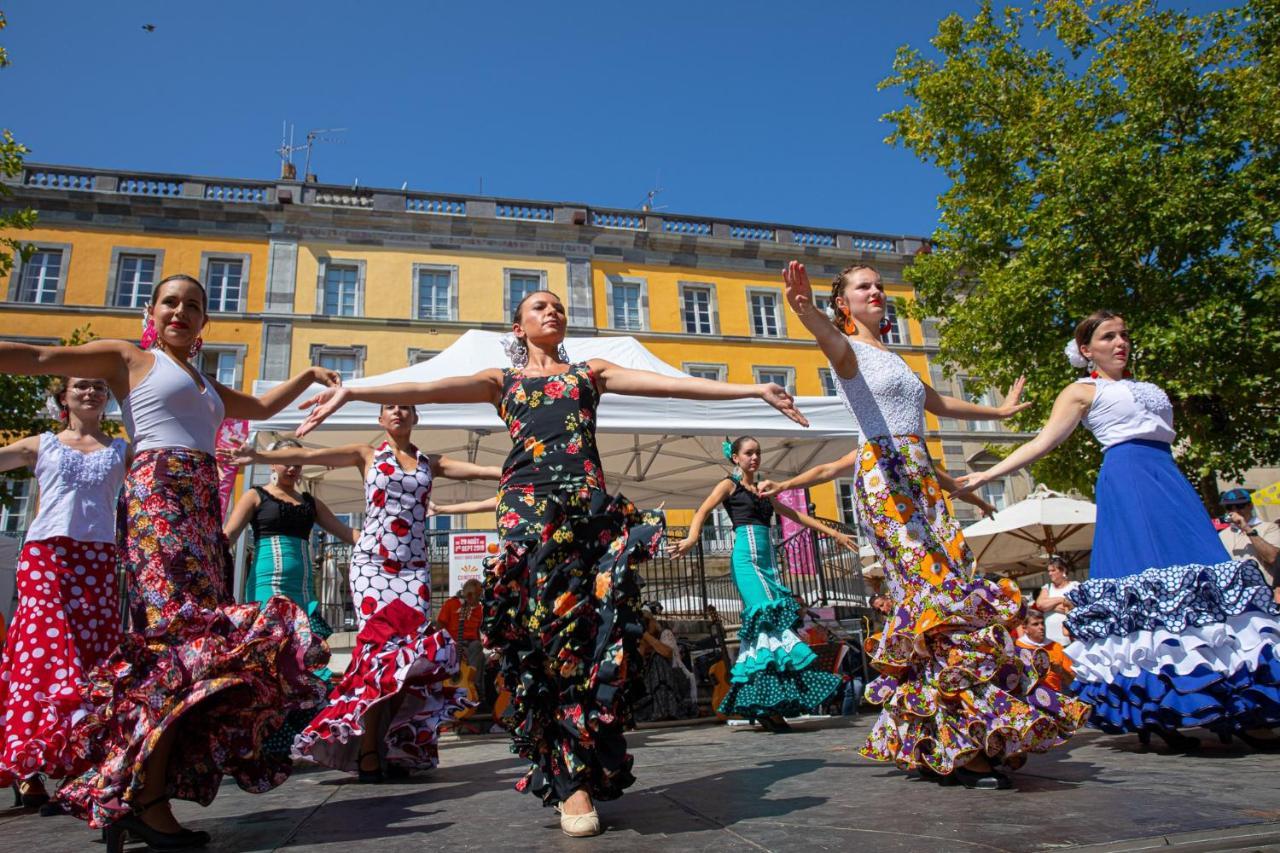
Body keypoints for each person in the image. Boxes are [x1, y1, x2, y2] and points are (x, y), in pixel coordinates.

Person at [293, 288, 807, 837]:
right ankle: (570, 783)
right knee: (545, 641)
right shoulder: (503, 381)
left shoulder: (591, 373)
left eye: (558, 306)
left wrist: (752, 388)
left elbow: (676, 385)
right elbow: (425, 386)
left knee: (594, 638)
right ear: (518, 328)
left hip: (586, 512)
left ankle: (588, 760)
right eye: (538, 307)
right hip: (526, 512)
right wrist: (352, 390)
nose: (552, 311)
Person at [0, 273, 337, 850]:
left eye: (194, 306)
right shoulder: (128, 358)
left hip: (203, 500)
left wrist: (307, 376)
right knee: (177, 645)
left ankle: (137, 792)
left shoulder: (205, 381)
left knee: (196, 649)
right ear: (152, 312)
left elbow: (257, 405)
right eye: (171, 302)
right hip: (160, 496)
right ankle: (140, 797)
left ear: (205, 321)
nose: (182, 311)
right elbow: (36, 355)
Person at [760, 261, 1088, 789]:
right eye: (863, 287)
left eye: (879, 285)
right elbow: (826, 338)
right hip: (887, 477)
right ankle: (956, 734)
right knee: (932, 597)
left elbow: (934, 402)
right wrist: (804, 310)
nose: (877, 292)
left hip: (920, 477)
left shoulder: (895, 357)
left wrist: (997, 413)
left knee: (956, 592)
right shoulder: (849, 351)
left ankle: (962, 727)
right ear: (843, 302)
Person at [954, 309, 1280, 751]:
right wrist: (984, 477)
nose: (1121, 342)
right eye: (1108, 337)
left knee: (1204, 577)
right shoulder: (1082, 390)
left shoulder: (1146, 387)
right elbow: (1043, 441)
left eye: (1124, 334)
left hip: (1168, 477)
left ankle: (1234, 701)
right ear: (1087, 349)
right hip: (1129, 481)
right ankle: (1157, 709)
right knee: (1148, 584)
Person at [224, 404, 500, 782]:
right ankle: (370, 748)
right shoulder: (365, 454)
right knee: (378, 658)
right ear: (381, 420)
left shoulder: (428, 461)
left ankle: (390, 741)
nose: (399, 412)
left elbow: (485, 471)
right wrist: (259, 454)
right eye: (391, 408)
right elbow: (307, 455)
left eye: (407, 408)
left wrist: (523, 469)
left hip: (414, 570)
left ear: (416, 419)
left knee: (409, 663)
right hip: (372, 566)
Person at [0, 378, 126, 811]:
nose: (90, 393)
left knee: (93, 659)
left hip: (98, 561)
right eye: (80, 386)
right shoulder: (43, 444)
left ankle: (78, 762)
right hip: (46, 556)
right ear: (63, 397)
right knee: (42, 655)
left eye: (98, 387)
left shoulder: (122, 450)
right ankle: (27, 766)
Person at [670, 435, 854, 731]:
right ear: (736, 457)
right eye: (748, 453)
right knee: (769, 620)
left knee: (765, 632)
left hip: (767, 561)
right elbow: (703, 510)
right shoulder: (728, 484)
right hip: (746, 559)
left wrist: (833, 534)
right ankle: (768, 701)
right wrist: (692, 538)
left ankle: (767, 702)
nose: (754, 458)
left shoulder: (765, 488)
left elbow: (795, 515)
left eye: (757, 453)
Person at [222, 437, 358, 757]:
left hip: (303, 592)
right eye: (286, 459)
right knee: (270, 660)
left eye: (298, 460)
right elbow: (228, 535)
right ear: (273, 463)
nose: (293, 466)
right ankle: (260, 738)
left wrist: (385, 543)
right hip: (266, 590)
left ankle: (299, 737)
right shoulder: (256, 496)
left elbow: (346, 533)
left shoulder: (310, 502)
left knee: (302, 661)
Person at [633, 607, 698, 723]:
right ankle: (659, 708)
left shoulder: (665, 634)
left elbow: (668, 653)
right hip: (651, 685)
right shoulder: (638, 639)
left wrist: (647, 635)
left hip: (674, 680)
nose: (647, 625)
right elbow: (639, 664)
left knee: (658, 659)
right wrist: (642, 641)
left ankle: (664, 708)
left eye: (648, 622)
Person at [1218, 488, 1280, 596]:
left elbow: (1273, 558)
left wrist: (1247, 528)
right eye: (1229, 507)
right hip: (1234, 596)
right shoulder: (1222, 535)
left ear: (1250, 506)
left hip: (1264, 593)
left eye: (1239, 506)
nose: (1235, 511)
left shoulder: (1270, 528)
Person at [436, 578, 487, 706]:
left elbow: (477, 633)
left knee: (477, 648)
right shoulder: (450, 604)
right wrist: (449, 643)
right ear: (469, 595)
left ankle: (475, 689)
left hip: (472, 645)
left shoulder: (480, 609)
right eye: (478, 596)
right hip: (453, 644)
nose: (480, 599)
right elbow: (440, 627)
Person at [1015, 610, 1075, 693]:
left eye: (1042, 623)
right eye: (1035, 624)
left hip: (1056, 694)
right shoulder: (1017, 647)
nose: (1041, 627)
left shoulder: (1056, 646)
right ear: (1025, 628)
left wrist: (1061, 671)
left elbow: (1072, 682)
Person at [1035, 556, 1079, 646]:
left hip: (1069, 639)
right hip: (1049, 641)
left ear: (1063, 570)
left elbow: (1075, 609)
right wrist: (1062, 599)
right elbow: (1040, 605)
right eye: (1049, 571)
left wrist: (1049, 607)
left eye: (1053, 570)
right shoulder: (1047, 587)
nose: (1050, 573)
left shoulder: (1075, 586)